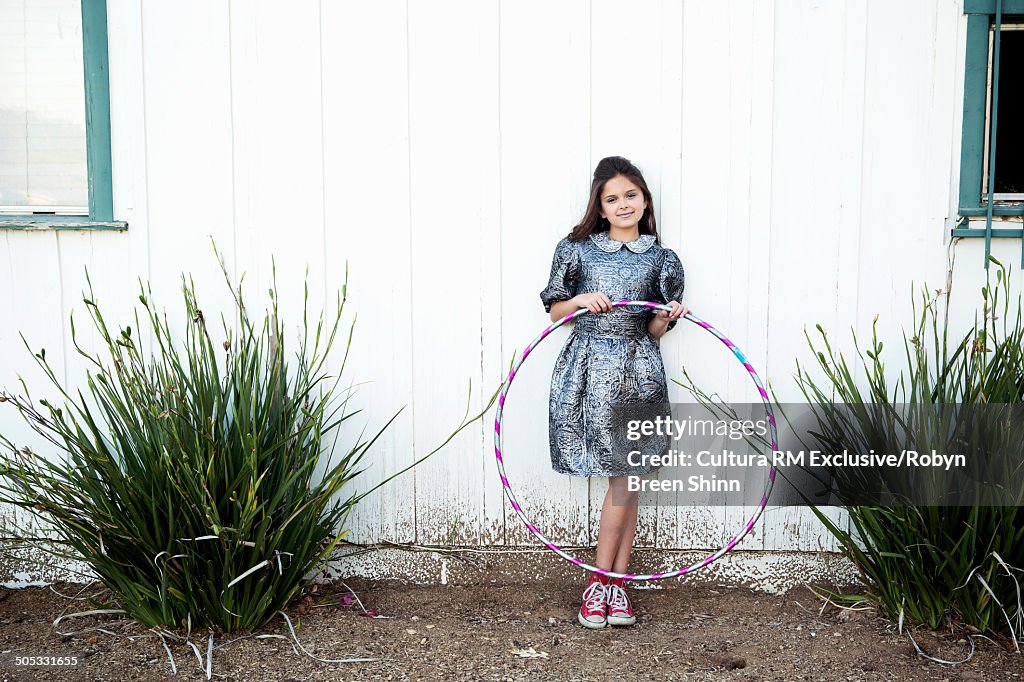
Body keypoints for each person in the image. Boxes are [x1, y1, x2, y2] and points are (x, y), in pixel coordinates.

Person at [539, 156, 687, 629]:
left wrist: (667, 317)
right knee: (621, 481)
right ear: (600, 208)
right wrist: (581, 300)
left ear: (644, 200)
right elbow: (555, 312)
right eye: (612, 198)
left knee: (630, 479)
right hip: (588, 368)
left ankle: (612, 585)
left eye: (631, 195)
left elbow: (653, 328)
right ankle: (603, 584)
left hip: (638, 370)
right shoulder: (577, 250)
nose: (623, 204)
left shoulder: (662, 260)